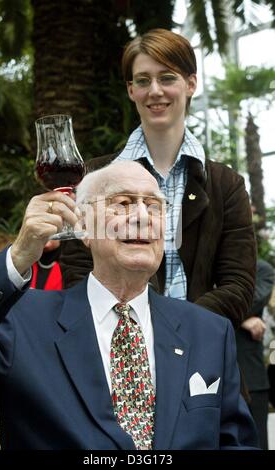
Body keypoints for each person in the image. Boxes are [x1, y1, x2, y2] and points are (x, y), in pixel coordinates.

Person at [0, 162, 257, 449]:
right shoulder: (20, 321)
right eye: (123, 203)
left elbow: (235, 442)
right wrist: (18, 257)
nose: (141, 216)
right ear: (84, 227)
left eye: (153, 206)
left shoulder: (209, 332)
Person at [60, 28, 256, 329]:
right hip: (113, 349)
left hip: (199, 355)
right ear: (130, 90)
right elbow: (77, 272)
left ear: (190, 84)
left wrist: (170, 330)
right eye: (143, 80)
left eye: (167, 77)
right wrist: (137, 330)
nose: (155, 90)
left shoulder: (226, 185)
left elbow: (239, 285)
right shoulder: (92, 177)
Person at [236, 258, 274, 449]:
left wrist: (226, 310)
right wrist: (243, 320)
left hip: (251, 378)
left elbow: (251, 302)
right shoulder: (206, 268)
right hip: (210, 377)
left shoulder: (262, 270)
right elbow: (195, 303)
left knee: (256, 444)